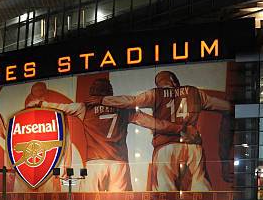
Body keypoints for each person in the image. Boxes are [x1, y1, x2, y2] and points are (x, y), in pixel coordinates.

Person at [28, 77, 197, 192]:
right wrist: (179, 128)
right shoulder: (125, 110)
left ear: (93, 93)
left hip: (94, 163)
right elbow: (155, 123)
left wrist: (41, 103)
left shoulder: (84, 107)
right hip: (119, 163)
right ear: (109, 93)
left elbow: (62, 107)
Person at [87, 70, 232, 192]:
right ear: (175, 82)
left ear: (159, 83)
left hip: (166, 146)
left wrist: (103, 100)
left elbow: (133, 101)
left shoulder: (156, 94)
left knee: (165, 189)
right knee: (201, 184)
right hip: (193, 145)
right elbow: (227, 107)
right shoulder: (195, 93)